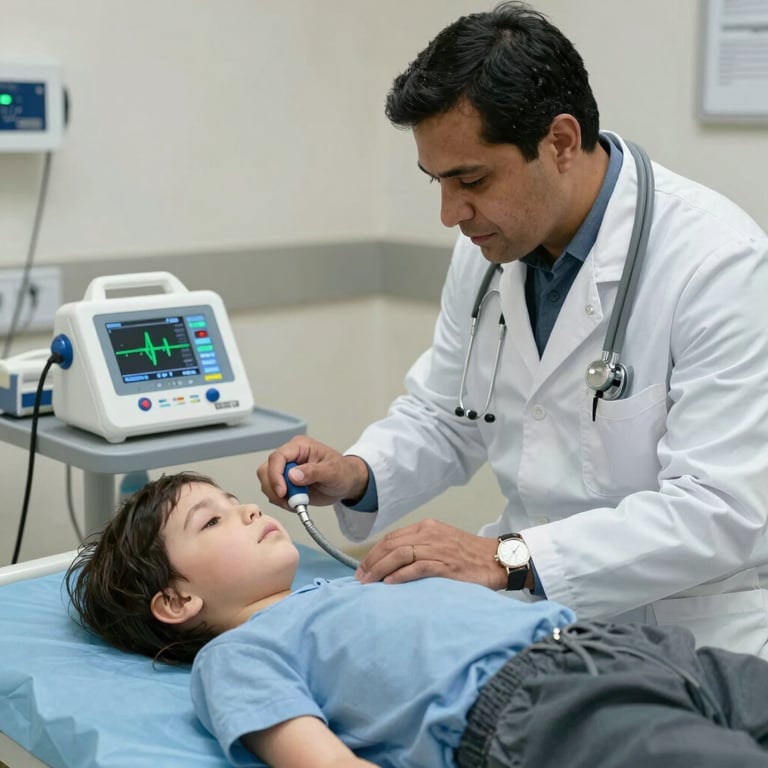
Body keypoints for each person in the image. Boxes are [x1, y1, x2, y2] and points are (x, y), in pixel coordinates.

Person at [258, 1, 768, 657]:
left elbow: (718, 512)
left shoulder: (719, 264)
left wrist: (506, 557)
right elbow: (450, 414)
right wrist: (358, 473)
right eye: (437, 182)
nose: (450, 213)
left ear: (560, 143)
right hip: (529, 620)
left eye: (470, 179)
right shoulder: (489, 248)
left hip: (687, 635)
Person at [66, 471, 768, 768]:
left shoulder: (348, 584)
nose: (248, 508)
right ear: (177, 602)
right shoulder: (237, 655)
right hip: (535, 707)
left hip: (618, 648)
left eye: (233, 499)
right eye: (211, 520)